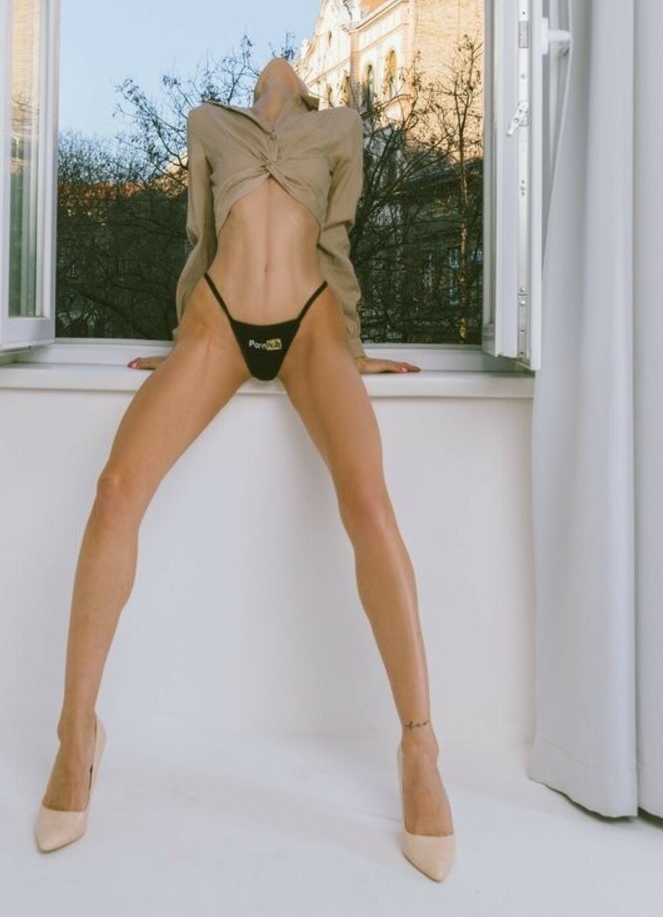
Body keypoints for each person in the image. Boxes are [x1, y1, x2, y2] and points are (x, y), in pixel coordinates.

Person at [35, 57, 455, 882]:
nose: (276, 62)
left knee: (369, 505)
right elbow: (203, 235)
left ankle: (420, 748)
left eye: (289, 64)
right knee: (116, 490)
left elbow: (337, 236)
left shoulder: (338, 126)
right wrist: (178, 345)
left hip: (312, 325)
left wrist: (354, 349)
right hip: (217, 323)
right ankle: (76, 732)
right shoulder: (209, 123)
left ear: (303, 84)